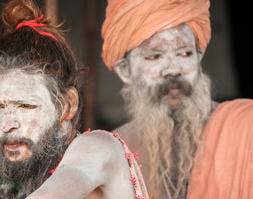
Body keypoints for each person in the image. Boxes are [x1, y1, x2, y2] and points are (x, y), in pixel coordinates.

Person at [0, 0, 149, 198]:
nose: (6, 124)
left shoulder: (96, 148)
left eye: (25, 105)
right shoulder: (41, 176)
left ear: (67, 106)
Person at [101, 0, 253, 198]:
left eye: (185, 53)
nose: (173, 69)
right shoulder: (114, 150)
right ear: (125, 71)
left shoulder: (246, 127)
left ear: (198, 57)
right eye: (155, 56)